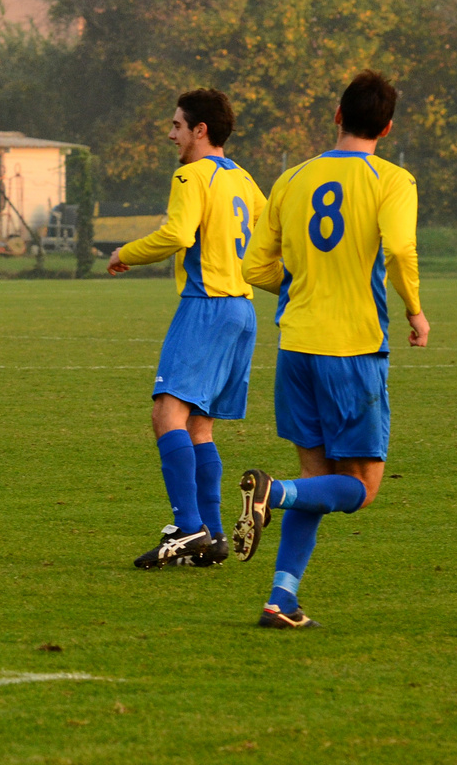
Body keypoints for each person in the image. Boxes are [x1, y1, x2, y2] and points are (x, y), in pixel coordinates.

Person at [232, 71, 425, 629]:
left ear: (337, 116)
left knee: (317, 484)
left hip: (295, 347)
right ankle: (274, 491)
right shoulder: (392, 181)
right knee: (361, 488)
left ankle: (280, 600)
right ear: (386, 128)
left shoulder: (292, 179)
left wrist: (300, 286)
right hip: (352, 349)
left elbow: (253, 267)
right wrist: (413, 308)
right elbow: (400, 248)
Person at [107, 89, 265, 570]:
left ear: (201, 131)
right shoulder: (243, 179)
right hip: (242, 311)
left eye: (177, 125)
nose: (170, 134)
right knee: (199, 423)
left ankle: (188, 527)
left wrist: (125, 253)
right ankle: (214, 534)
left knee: (165, 414)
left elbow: (178, 234)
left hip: (206, 305)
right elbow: (265, 241)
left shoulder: (190, 174)